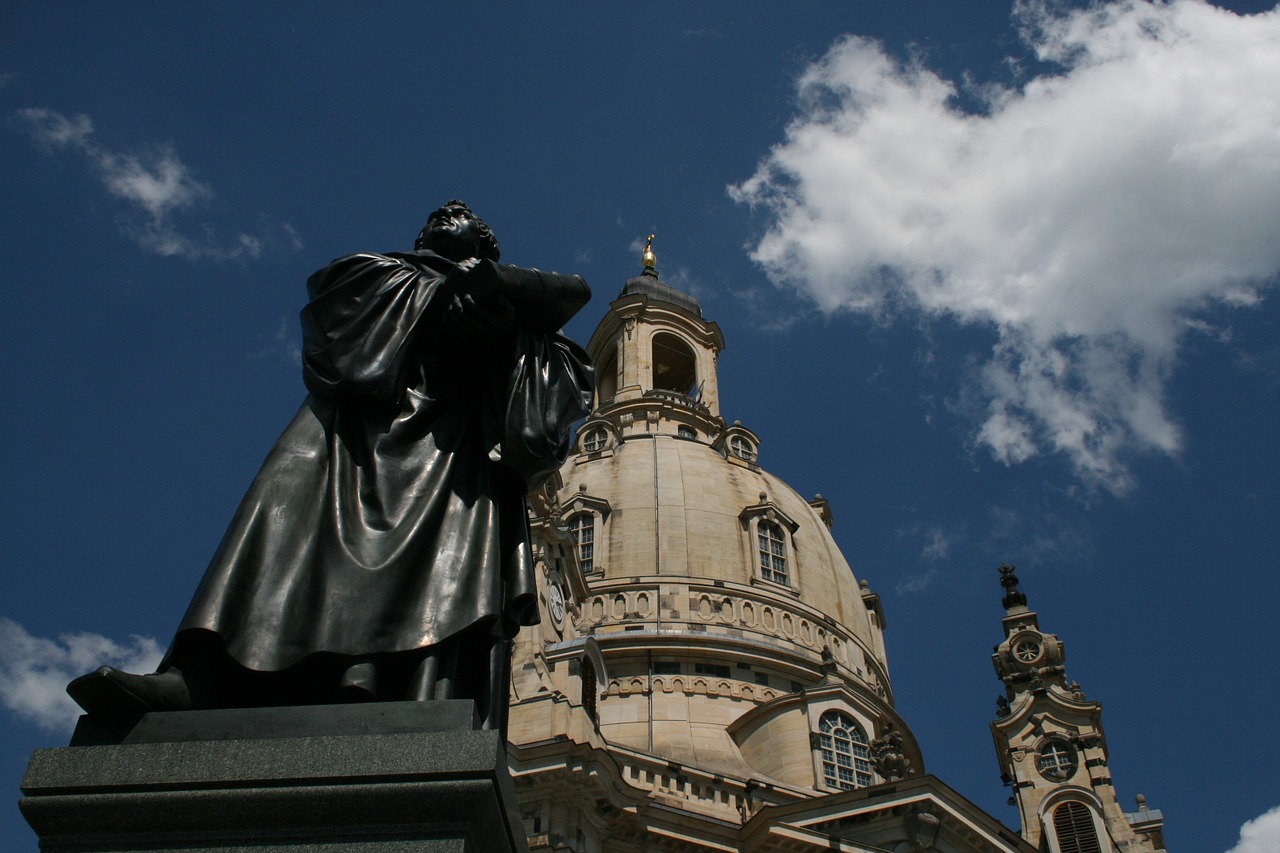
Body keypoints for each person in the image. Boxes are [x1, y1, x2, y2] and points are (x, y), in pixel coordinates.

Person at [69, 201, 594, 733]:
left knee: (432, 575)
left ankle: (392, 689)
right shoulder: (380, 271)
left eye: (458, 215)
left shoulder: (516, 308)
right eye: (437, 214)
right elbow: (336, 332)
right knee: (274, 523)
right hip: (346, 436)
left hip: (449, 451)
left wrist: (500, 330)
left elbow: (550, 394)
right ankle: (206, 674)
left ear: (483, 243)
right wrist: (442, 301)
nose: (444, 214)